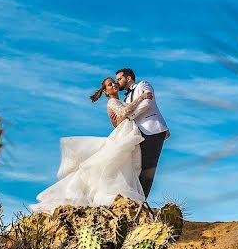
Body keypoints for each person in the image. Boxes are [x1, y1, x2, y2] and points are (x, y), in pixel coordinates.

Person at [28, 77, 155, 213]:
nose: (113, 85)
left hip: (126, 131)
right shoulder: (112, 102)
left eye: (114, 82)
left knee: (123, 165)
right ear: (106, 92)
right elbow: (124, 112)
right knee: (117, 164)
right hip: (122, 134)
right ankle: (113, 196)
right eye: (109, 85)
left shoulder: (119, 101)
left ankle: (124, 196)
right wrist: (141, 97)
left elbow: (125, 113)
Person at [114, 68, 169, 198]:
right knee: (136, 167)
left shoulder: (143, 84)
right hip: (137, 134)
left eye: (119, 79)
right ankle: (135, 198)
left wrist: (130, 116)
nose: (117, 82)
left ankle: (142, 201)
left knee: (148, 168)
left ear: (128, 78)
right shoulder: (126, 99)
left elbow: (147, 104)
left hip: (153, 130)